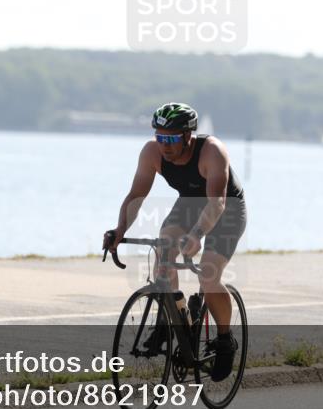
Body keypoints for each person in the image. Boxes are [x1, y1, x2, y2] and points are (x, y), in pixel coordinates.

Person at [104, 102, 247, 381]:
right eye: (159, 136)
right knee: (164, 248)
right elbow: (136, 196)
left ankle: (225, 339)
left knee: (209, 275)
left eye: (170, 138)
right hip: (190, 203)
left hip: (226, 208)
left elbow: (216, 203)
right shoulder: (151, 153)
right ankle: (171, 320)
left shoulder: (212, 151)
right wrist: (119, 230)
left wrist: (197, 234)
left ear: (187, 135)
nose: (164, 144)